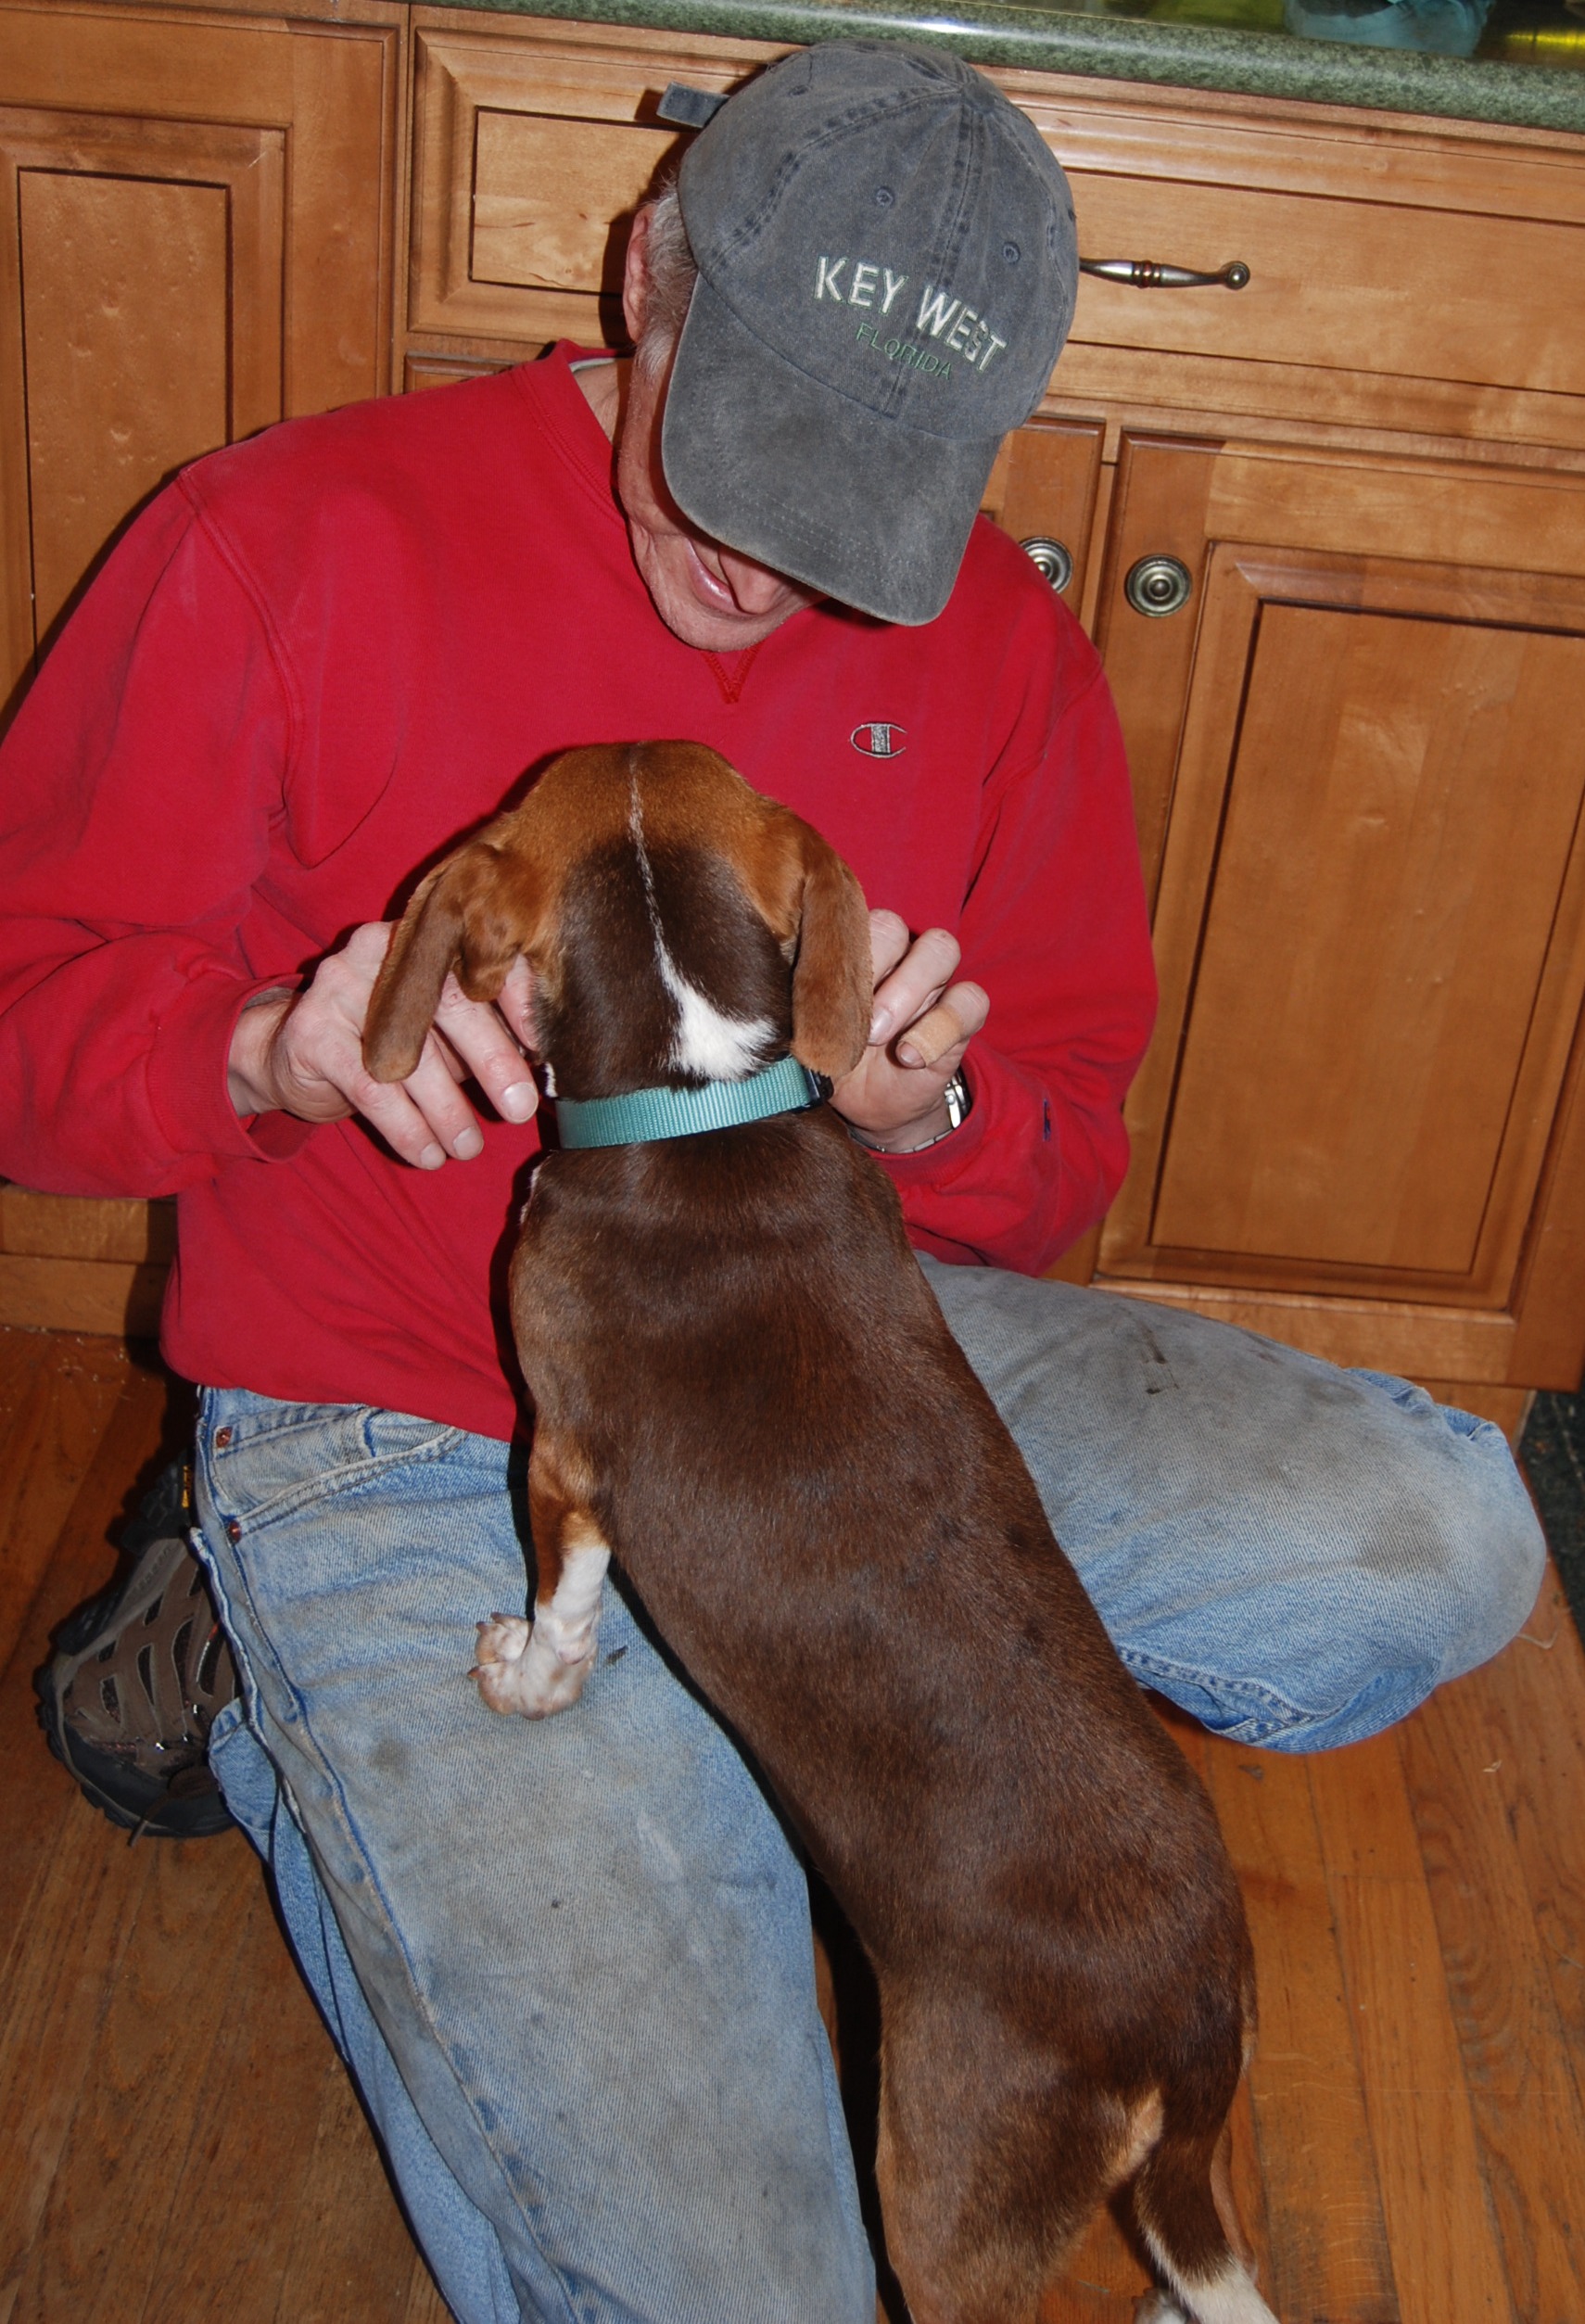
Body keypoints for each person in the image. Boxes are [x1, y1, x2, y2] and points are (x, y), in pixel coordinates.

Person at [0, 40, 1542, 2324]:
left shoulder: (1000, 642)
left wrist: (934, 1124)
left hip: (851, 1363)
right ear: (651, 275)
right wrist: (258, 1052)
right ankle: (288, 1652)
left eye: (856, 500)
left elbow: (1069, 1143)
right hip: (403, 1431)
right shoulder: (287, 539)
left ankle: (730, 1713)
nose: (760, 560)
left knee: (1433, 1548)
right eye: (743, 448)